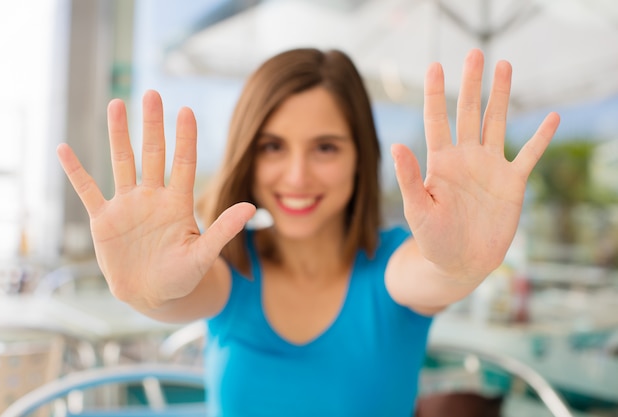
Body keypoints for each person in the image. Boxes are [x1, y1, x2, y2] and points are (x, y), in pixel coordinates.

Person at [57, 48, 560, 416]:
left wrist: (461, 264)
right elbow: (175, 294)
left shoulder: (393, 267)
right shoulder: (226, 267)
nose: (297, 176)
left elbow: (436, 272)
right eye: (273, 147)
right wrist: (145, 293)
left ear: (361, 157)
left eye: (325, 148)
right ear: (247, 156)